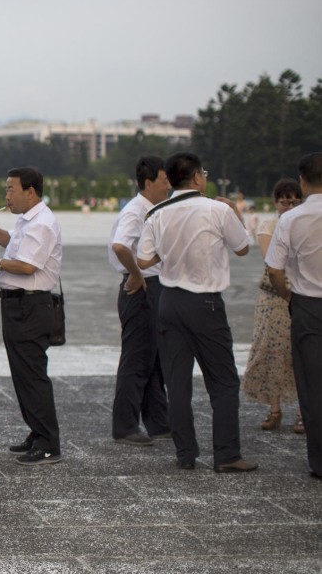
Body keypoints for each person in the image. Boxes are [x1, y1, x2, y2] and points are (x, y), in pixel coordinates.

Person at [137, 151, 257, 473]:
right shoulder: (217, 209)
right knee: (223, 381)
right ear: (197, 177)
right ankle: (227, 453)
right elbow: (243, 247)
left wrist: (172, 256)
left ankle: (186, 453)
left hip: (170, 301)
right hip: (205, 303)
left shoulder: (158, 213)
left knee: (177, 382)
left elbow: (144, 260)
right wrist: (234, 212)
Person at [0, 166, 64, 466]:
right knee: (23, 374)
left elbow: (27, 265)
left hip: (30, 306)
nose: (7, 195)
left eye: (11, 189)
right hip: (18, 305)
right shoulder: (29, 221)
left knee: (32, 375)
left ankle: (49, 442)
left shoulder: (42, 223)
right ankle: (37, 433)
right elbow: (16, 242)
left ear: (31, 191)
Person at [107, 156, 172, 446]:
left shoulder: (153, 209)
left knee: (154, 359)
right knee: (136, 358)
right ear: (148, 183)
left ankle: (158, 422)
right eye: (164, 181)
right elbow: (120, 246)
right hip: (141, 288)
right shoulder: (136, 211)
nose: (169, 186)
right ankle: (125, 426)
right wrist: (136, 274)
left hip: (152, 286)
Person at [266, 152, 322, 479]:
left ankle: (319, 461)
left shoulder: (290, 219)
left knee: (313, 386)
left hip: (307, 305)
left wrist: (288, 295)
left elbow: (274, 270)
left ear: (301, 180)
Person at [243, 179, 303, 432]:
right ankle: (274, 409)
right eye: (284, 201)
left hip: (301, 292)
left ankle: (303, 411)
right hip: (273, 295)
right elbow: (272, 261)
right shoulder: (269, 225)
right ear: (275, 202)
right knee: (271, 350)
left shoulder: (304, 223)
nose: (289, 206)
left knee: (301, 352)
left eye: (293, 201)